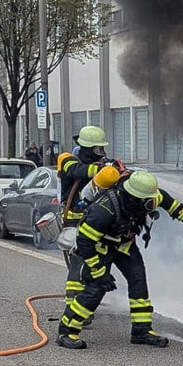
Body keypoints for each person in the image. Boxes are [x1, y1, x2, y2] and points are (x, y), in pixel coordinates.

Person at [56, 170, 183, 350]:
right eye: (147, 202)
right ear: (133, 197)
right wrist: (99, 272)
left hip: (124, 245)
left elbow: (168, 201)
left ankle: (141, 331)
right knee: (96, 289)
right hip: (99, 247)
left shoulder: (148, 196)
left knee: (138, 280)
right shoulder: (103, 210)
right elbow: (84, 242)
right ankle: (66, 331)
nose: (151, 204)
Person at [58, 125, 116, 310]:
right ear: (88, 148)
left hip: (93, 221)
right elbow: (77, 171)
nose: (103, 153)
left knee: (94, 262)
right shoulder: (67, 159)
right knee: (78, 262)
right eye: (99, 149)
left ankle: (86, 302)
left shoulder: (99, 165)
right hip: (74, 220)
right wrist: (102, 169)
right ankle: (73, 306)